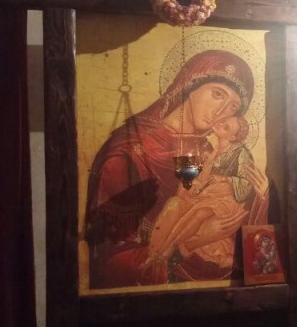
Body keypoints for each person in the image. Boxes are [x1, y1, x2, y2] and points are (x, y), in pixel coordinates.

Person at [84, 49, 269, 289]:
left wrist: (261, 199)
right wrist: (191, 243)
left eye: (233, 107)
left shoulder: (215, 150)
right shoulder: (130, 153)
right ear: (190, 85)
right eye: (217, 94)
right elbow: (111, 258)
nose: (221, 111)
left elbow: (245, 235)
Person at [142, 115, 256, 282]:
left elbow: (247, 184)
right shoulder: (206, 147)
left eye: (226, 127)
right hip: (206, 196)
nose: (220, 124)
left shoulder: (240, 153)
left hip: (225, 201)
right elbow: (194, 182)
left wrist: (225, 179)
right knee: (174, 204)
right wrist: (197, 182)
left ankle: (169, 250)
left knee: (200, 212)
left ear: (233, 137)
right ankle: (156, 255)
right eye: (223, 121)